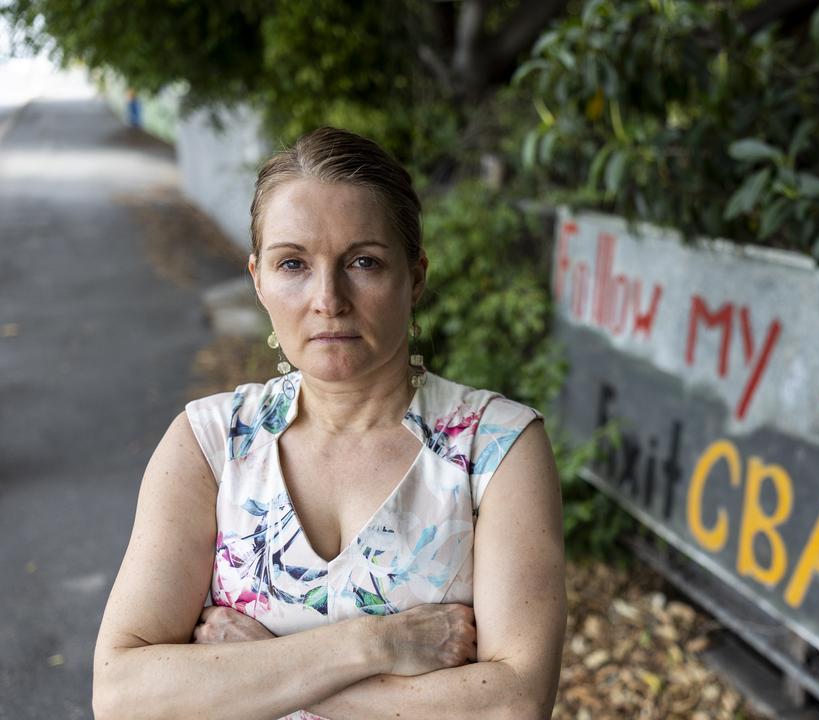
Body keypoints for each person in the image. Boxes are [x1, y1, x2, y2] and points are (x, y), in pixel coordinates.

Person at [92, 126, 566, 719]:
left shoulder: (496, 447)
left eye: (363, 261)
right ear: (258, 279)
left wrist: (260, 667)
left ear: (414, 277)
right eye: (293, 263)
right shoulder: (210, 444)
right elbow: (123, 696)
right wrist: (374, 645)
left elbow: (513, 707)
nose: (328, 298)